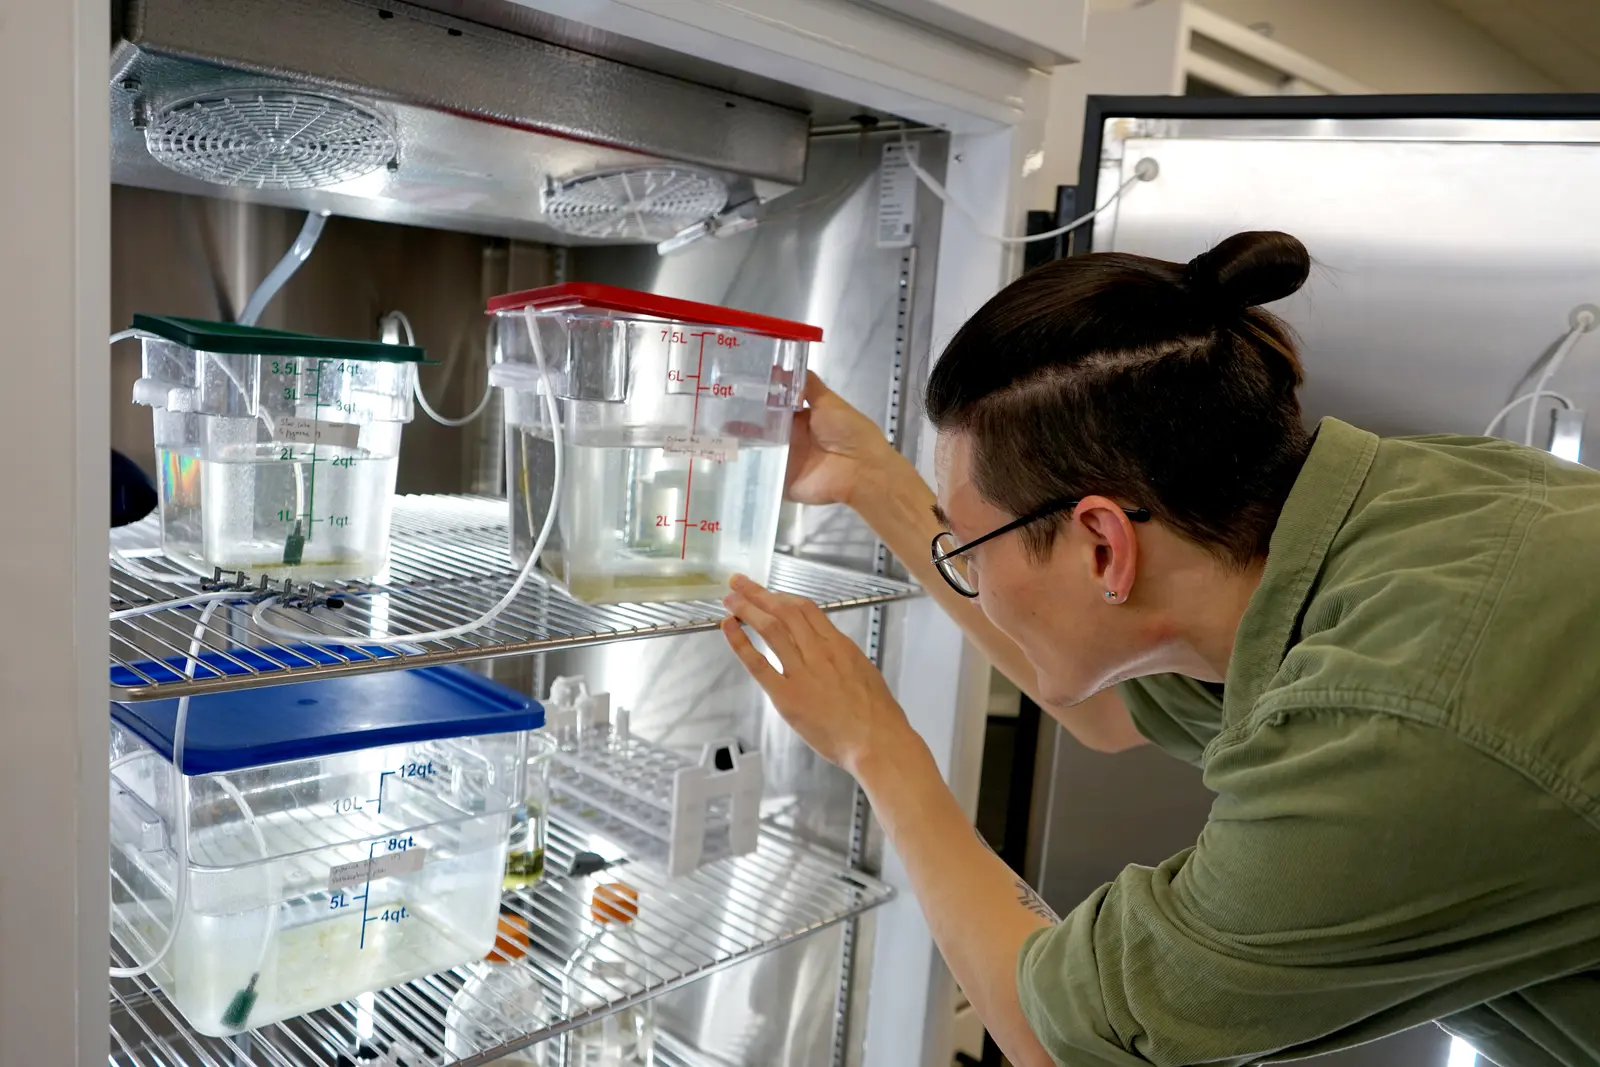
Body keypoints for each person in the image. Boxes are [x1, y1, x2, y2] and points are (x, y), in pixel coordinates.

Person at [718, 231, 1600, 1067]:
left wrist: (878, 745)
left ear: (1105, 545)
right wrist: (874, 478)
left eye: (971, 550)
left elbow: (1063, 1039)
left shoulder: (1397, 718)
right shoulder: (1404, 517)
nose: (971, 581)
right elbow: (1105, 706)